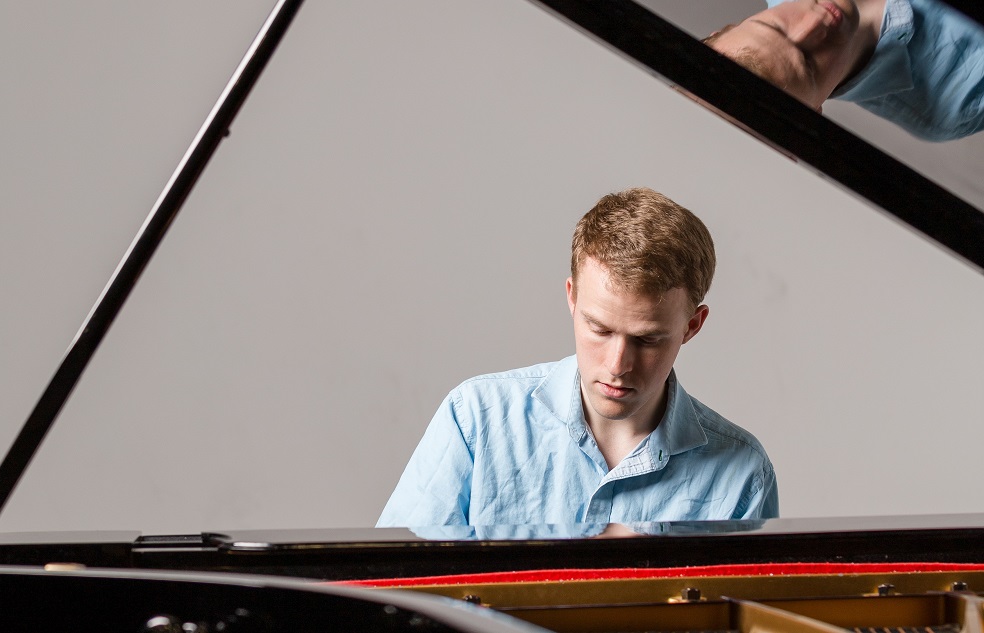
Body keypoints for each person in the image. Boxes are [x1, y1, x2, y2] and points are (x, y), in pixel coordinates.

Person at [377, 187, 778, 528]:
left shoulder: (743, 474)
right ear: (571, 296)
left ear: (692, 325)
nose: (618, 365)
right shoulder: (476, 419)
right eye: (599, 329)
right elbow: (388, 587)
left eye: (648, 339)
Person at [704, 0, 984, 141]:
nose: (814, 22)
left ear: (730, 26)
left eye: (774, 27)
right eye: (809, 65)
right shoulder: (955, 103)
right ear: (814, 112)